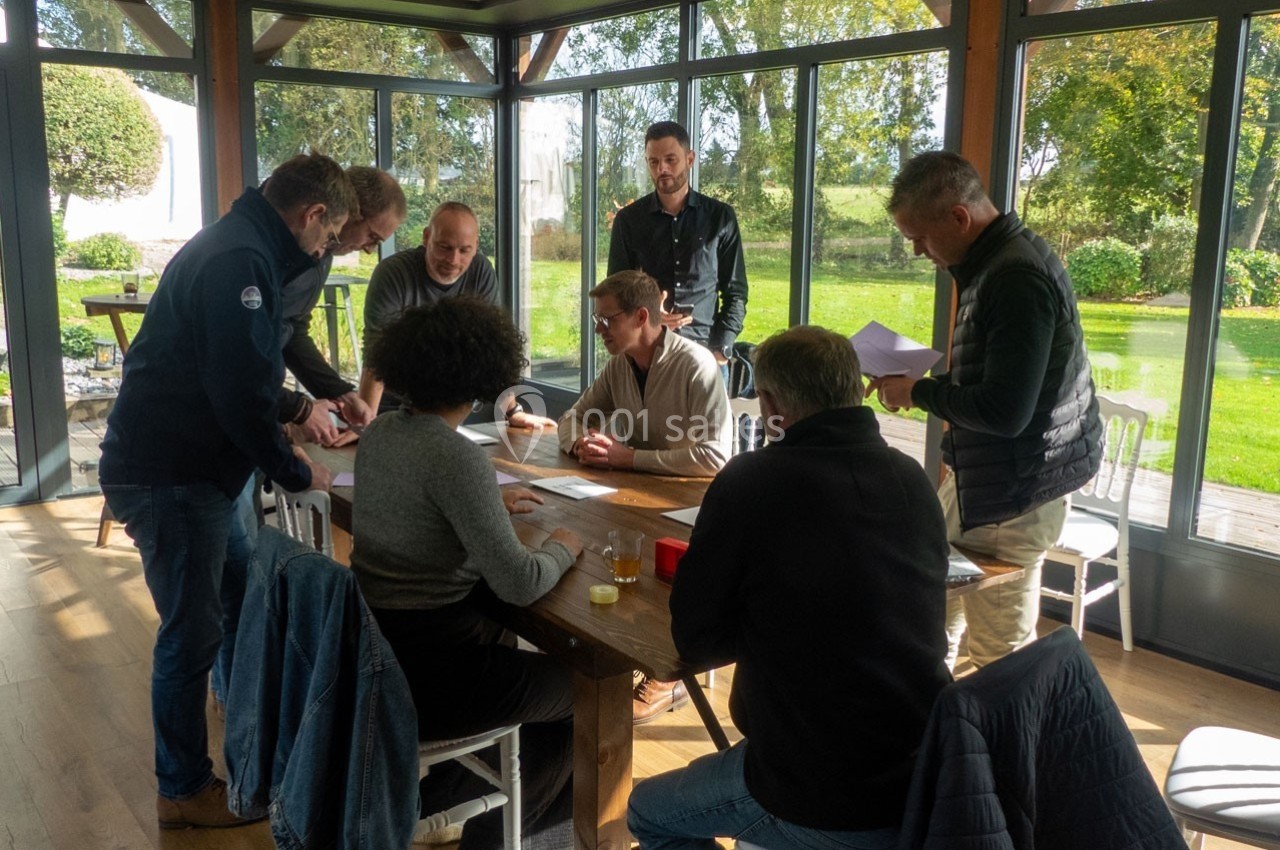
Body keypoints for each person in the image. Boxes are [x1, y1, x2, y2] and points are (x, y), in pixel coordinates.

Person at [627, 325, 952, 850]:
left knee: (648, 812)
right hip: (923, 772)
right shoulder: (911, 478)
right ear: (854, 388)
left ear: (773, 406)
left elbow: (696, 639)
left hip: (815, 787)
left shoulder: (752, 481)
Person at [98, 152, 346, 829]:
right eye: (327, 238)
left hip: (190, 474)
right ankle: (181, 787)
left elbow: (248, 378)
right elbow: (240, 393)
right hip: (173, 478)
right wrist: (296, 470)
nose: (324, 252)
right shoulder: (240, 259)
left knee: (240, 600)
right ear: (312, 214)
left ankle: (253, 747)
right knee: (191, 636)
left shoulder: (242, 245)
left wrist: (292, 420)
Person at [350, 297, 584, 850]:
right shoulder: (457, 458)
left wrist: (486, 509)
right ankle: (493, 839)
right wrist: (563, 547)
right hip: (436, 674)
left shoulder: (381, 434)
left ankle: (442, 802)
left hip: (375, 654)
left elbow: (413, 509)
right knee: (586, 692)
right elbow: (520, 583)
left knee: (513, 659)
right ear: (481, 374)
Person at [870, 150, 1103, 669]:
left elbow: (1005, 410)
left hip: (1014, 492)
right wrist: (923, 382)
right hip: (989, 480)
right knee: (934, 623)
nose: (915, 251)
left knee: (998, 659)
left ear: (959, 217)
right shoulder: (998, 262)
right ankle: (941, 743)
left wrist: (920, 393)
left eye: (920, 237)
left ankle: (991, 751)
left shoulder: (1014, 277)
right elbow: (1000, 377)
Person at [557, 269, 732, 723]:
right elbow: (572, 417)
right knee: (604, 555)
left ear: (640, 316)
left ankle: (669, 674)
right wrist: (581, 443)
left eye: (606, 321)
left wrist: (627, 459)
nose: (599, 331)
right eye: (597, 321)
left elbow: (714, 456)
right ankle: (625, 657)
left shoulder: (696, 365)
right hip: (639, 497)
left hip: (693, 508)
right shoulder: (618, 366)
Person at [277, 165, 407, 447]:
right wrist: (299, 410)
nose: (371, 250)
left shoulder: (321, 255)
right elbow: (234, 361)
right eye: (372, 237)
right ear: (352, 211)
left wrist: (343, 394)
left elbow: (292, 331)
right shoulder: (267, 254)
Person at [607, 120, 748, 370]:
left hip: (706, 356)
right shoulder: (629, 220)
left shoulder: (720, 218)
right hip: (648, 353)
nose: (662, 168)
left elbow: (735, 292)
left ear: (690, 159)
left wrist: (721, 352)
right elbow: (616, 292)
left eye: (671, 160)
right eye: (653, 162)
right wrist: (648, 317)